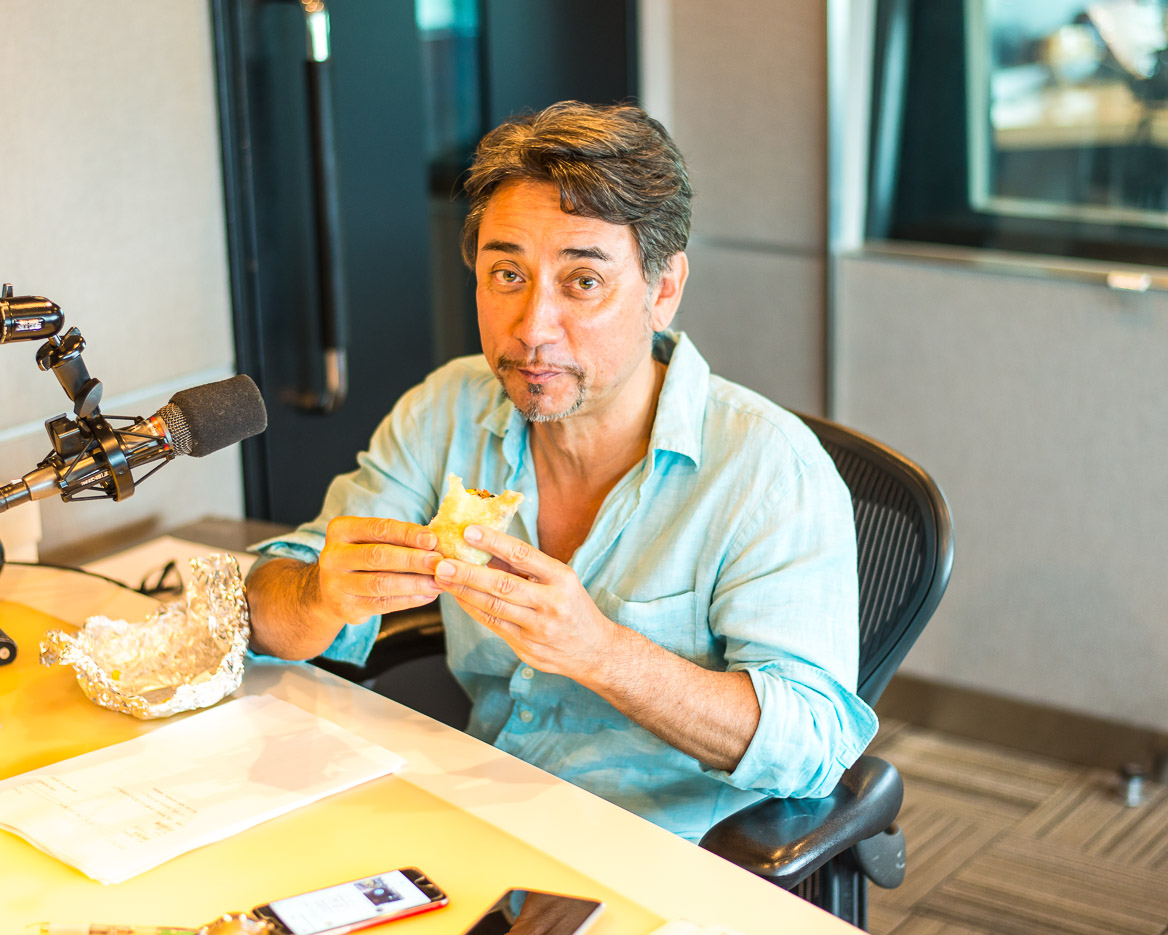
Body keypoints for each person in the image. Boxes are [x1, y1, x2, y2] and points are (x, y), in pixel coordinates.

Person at [245, 101, 877, 842]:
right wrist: (321, 593)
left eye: (582, 282)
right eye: (507, 274)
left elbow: (813, 746)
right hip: (479, 818)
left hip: (666, 858)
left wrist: (602, 653)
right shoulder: (447, 409)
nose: (532, 328)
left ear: (663, 290)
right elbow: (263, 605)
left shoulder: (771, 472)